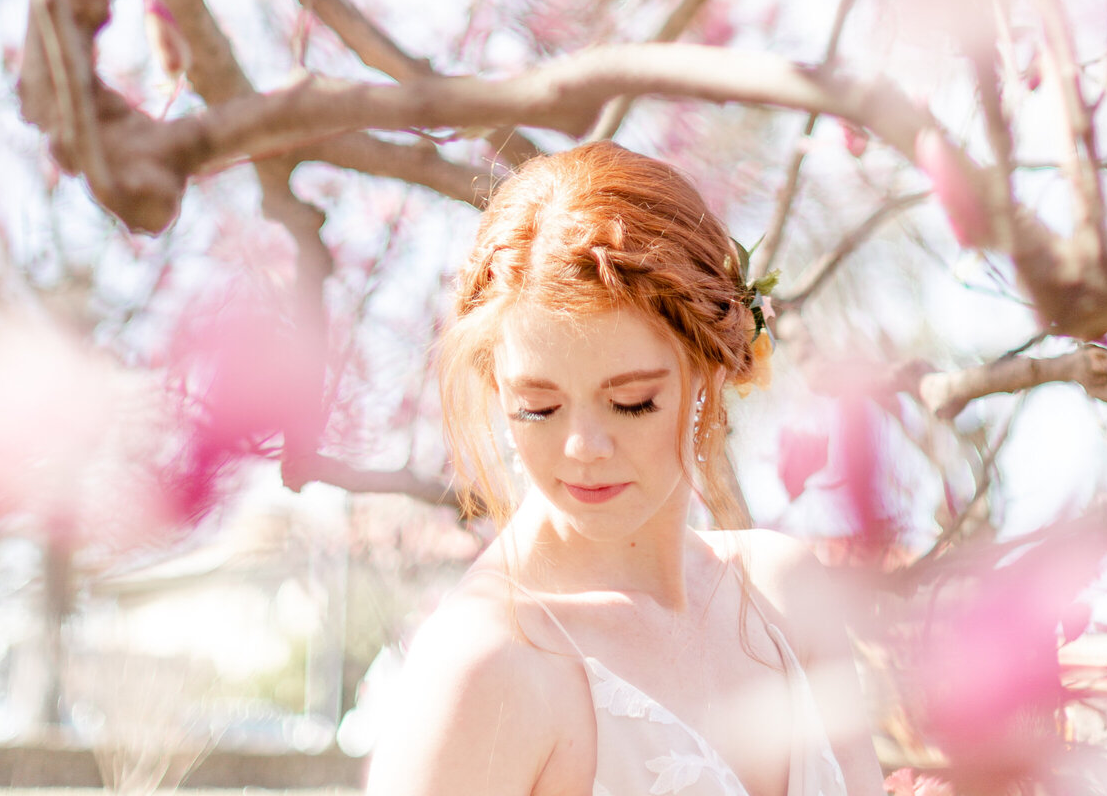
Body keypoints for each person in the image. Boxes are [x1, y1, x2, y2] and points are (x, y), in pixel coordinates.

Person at [367, 143, 884, 796]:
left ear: (709, 371)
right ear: (496, 389)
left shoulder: (784, 595)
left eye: (630, 402)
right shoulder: (489, 667)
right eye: (539, 408)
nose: (583, 446)